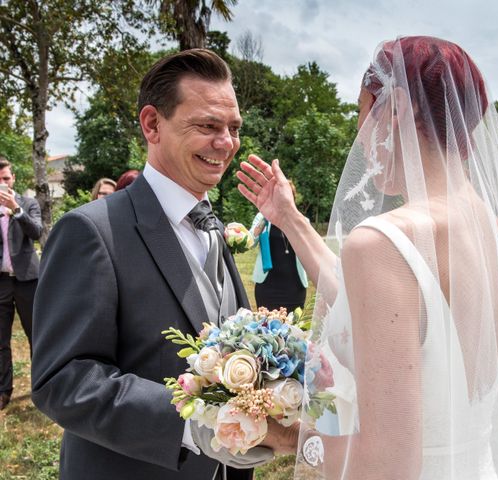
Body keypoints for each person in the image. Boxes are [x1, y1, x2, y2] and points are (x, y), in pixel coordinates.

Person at [237, 36, 498, 479]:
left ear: (397, 108)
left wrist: (285, 436)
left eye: (362, 114)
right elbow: (380, 310)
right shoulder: (496, 233)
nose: (360, 140)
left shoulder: (382, 241)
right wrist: (290, 219)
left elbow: (388, 464)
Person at [31, 49, 294, 480]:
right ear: (152, 124)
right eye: (208, 126)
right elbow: (63, 380)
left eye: (233, 128)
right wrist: (201, 424)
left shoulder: (210, 225)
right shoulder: (90, 231)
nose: (226, 143)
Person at [0, 157, 41, 411]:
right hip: (1, 282)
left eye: (5, 178)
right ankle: (3, 390)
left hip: (27, 279)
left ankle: (41, 386)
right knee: (1, 340)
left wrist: (16, 209)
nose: (2, 183)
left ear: (13, 179)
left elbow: (37, 232)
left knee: (36, 336)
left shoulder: (28, 203)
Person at [250, 180, 308, 312]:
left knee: (296, 329)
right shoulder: (262, 217)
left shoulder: (302, 221)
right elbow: (251, 241)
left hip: (295, 287)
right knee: (265, 329)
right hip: (267, 287)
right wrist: (265, 218)